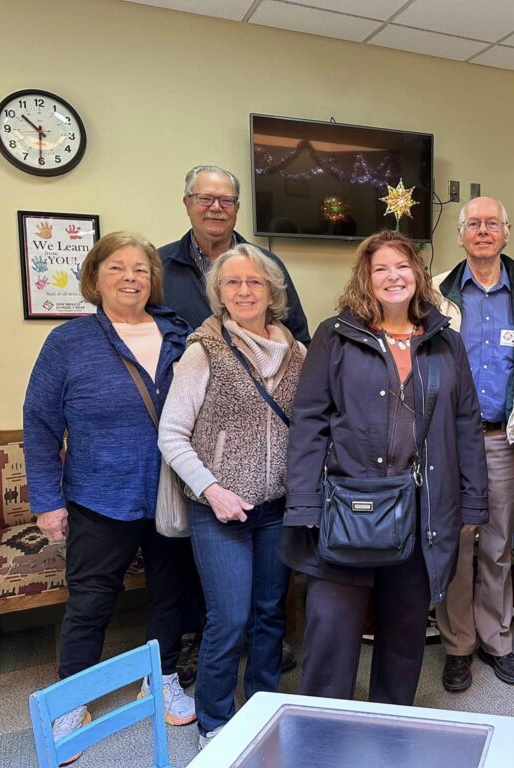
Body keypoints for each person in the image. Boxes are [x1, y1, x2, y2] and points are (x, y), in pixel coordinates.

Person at [282, 230, 488, 705]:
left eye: (402, 266)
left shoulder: (446, 343)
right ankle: (322, 734)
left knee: (403, 637)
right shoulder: (335, 336)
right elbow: (310, 421)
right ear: (365, 279)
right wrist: (305, 502)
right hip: (348, 510)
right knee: (331, 637)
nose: (393, 276)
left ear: (417, 274)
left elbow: (465, 424)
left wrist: (473, 501)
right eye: (381, 268)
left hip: (422, 513)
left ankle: (389, 730)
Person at [23, 232, 195, 758]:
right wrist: (47, 502)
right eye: (117, 267)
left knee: (172, 593)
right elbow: (40, 423)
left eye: (141, 269)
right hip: (100, 495)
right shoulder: (69, 342)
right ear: (95, 278)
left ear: (153, 279)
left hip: (172, 492)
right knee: (92, 600)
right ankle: (73, 696)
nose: (130, 278)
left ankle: (162, 676)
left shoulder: (179, 335)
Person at [159, 163, 309, 683]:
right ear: (217, 292)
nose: (245, 291)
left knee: (270, 616)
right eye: (233, 283)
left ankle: (265, 709)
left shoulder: (298, 353)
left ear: (273, 291)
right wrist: (213, 490)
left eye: (256, 282)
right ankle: (216, 723)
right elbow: (172, 433)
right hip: (221, 508)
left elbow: (315, 423)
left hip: (277, 508)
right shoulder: (203, 350)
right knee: (228, 619)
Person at [433, 197, 514, 692]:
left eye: (492, 224)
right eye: (473, 225)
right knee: (456, 544)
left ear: (507, 233)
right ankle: (458, 646)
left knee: (500, 544)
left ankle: (496, 640)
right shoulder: (436, 291)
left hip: (504, 439)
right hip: (448, 442)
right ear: (461, 235)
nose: (483, 231)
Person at [160, 164, 310, 345]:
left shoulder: (268, 265)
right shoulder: (159, 266)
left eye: (226, 200)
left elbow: (299, 339)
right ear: (187, 203)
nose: (216, 207)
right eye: (205, 199)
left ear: (237, 207)